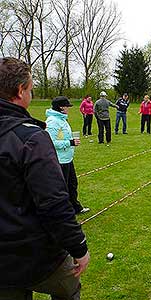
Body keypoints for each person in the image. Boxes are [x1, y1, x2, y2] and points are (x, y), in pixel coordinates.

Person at [0, 57, 89, 299]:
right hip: (33, 253)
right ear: (20, 91)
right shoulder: (31, 137)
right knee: (68, 290)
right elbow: (53, 202)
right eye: (30, 89)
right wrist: (78, 246)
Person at [46, 96, 90, 215]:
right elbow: (50, 142)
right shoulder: (52, 122)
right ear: (61, 107)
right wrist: (70, 143)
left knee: (72, 184)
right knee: (62, 188)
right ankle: (62, 212)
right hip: (59, 160)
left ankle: (75, 207)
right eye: (67, 106)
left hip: (67, 158)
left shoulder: (62, 119)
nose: (68, 109)